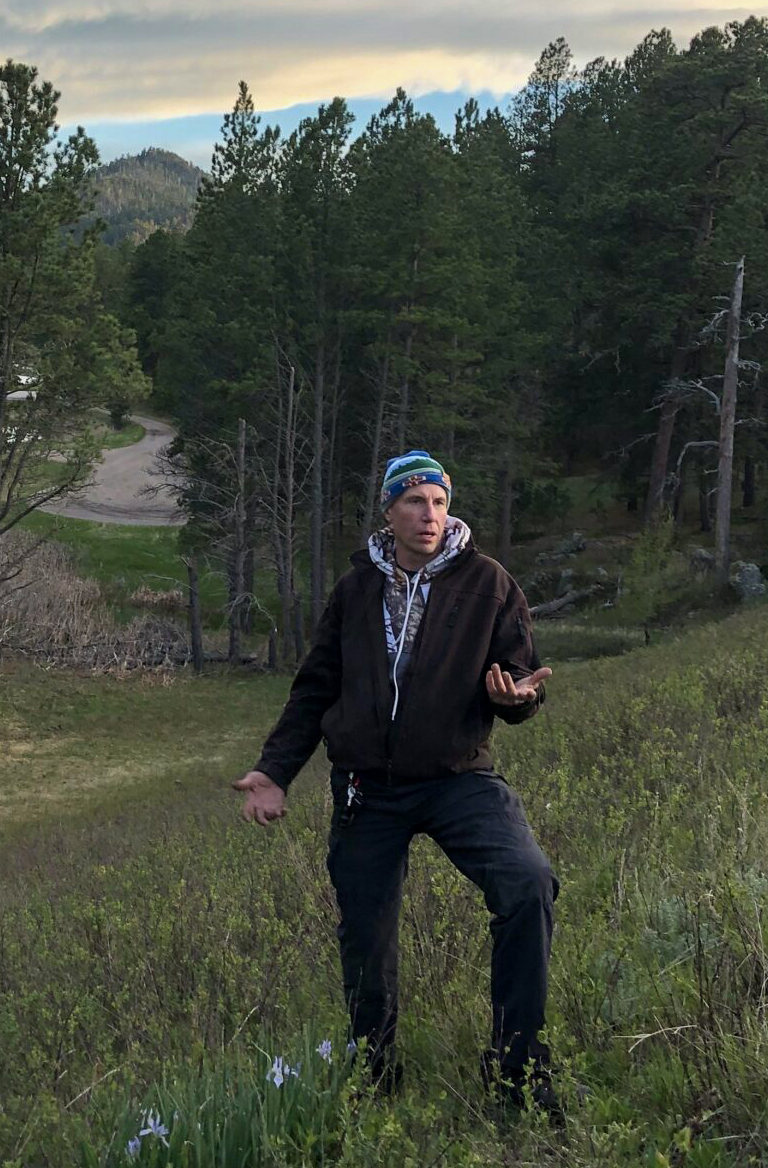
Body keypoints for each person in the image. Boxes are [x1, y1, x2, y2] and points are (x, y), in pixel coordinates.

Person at [231, 450, 562, 1120]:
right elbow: (316, 687)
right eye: (415, 502)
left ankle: (519, 1073)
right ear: (389, 510)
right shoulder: (355, 591)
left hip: (457, 776)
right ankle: (373, 1073)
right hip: (365, 788)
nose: (429, 515)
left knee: (528, 883)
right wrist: (274, 770)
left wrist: (517, 699)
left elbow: (517, 678)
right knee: (366, 933)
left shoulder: (489, 584)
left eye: (439, 501)